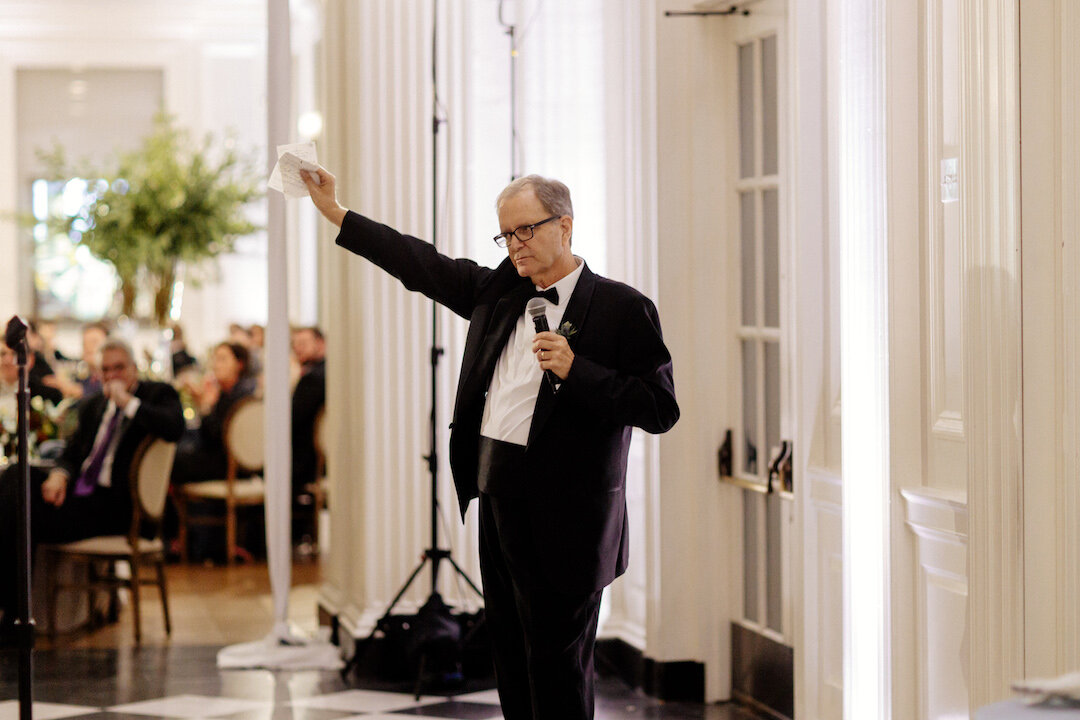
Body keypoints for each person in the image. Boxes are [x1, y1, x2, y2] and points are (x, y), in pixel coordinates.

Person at [302, 169, 679, 719]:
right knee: (511, 655)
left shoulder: (623, 308)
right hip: (500, 497)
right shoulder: (500, 294)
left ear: (565, 225)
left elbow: (659, 408)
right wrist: (337, 213)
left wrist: (579, 371)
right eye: (506, 235)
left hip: (571, 515)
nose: (515, 247)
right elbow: (421, 264)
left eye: (525, 231)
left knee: (558, 666)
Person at [0, 339, 185, 629]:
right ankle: (14, 613)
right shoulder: (94, 405)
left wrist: (128, 403)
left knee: (24, 513)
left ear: (134, 368)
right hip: (82, 496)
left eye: (119, 368)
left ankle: (14, 616)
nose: (112, 376)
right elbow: (72, 452)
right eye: (106, 370)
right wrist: (59, 474)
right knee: (15, 477)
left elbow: (174, 426)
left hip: (120, 506)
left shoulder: (157, 394)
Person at [170, 342, 257, 485]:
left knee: (172, 463)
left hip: (234, 466)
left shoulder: (241, 398)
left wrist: (206, 406)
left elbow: (214, 437)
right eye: (214, 359)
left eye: (222, 359)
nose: (216, 365)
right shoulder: (226, 392)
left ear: (239, 364)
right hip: (221, 459)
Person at [290, 326, 326, 538]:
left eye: (303, 344)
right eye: (295, 345)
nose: (297, 349)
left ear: (320, 344)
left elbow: (293, 419)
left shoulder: (313, 378)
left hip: (306, 459)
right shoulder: (324, 372)